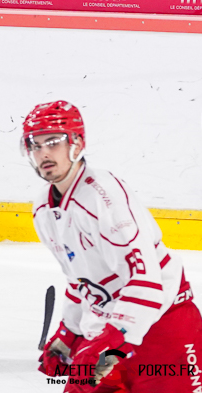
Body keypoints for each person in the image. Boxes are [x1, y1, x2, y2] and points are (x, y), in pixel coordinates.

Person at [28, 101, 202, 392]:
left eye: (53, 141)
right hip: (107, 330)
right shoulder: (44, 208)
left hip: (163, 329)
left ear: (77, 143)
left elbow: (146, 281)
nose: (44, 152)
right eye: (35, 144)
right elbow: (80, 279)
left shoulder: (104, 195)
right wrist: (68, 333)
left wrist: (115, 338)